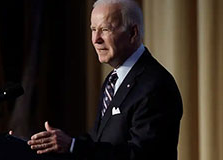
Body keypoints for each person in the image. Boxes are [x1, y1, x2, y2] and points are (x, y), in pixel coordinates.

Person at [27, 0, 183, 159]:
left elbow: (141, 155)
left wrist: (73, 146)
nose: (96, 39)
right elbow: (99, 141)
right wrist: (50, 145)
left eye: (105, 29)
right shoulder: (112, 80)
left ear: (133, 33)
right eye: (93, 29)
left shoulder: (155, 85)